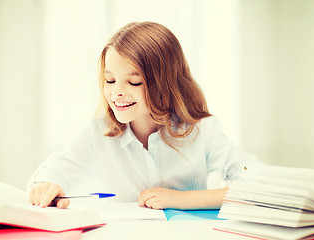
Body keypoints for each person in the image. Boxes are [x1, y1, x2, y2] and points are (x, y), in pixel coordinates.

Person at [27, 21, 261, 210]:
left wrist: (179, 200)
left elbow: (257, 186)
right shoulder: (100, 130)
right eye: (110, 80)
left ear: (166, 83)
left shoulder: (202, 130)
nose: (117, 91)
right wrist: (45, 188)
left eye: (134, 81)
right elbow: (48, 175)